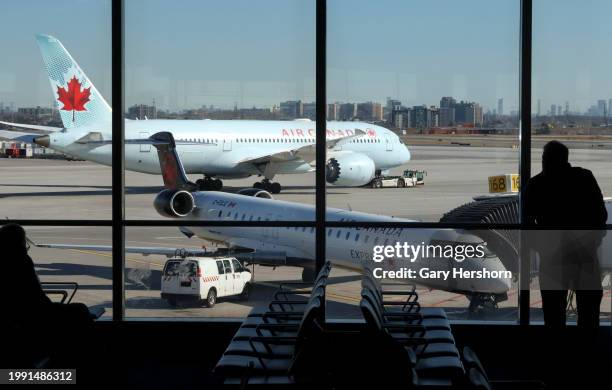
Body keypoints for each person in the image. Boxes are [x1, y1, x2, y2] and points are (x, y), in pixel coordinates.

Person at [523, 141, 607, 328]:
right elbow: (601, 215)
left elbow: (527, 226)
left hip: (553, 258)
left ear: (546, 160)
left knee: (553, 316)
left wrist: (543, 248)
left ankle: (557, 354)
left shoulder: (536, 184)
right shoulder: (585, 177)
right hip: (584, 256)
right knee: (589, 314)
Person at [0, 223, 93, 326]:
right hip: (36, 312)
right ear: (19, 242)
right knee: (81, 309)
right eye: (23, 240)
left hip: (14, 314)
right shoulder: (23, 260)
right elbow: (35, 296)